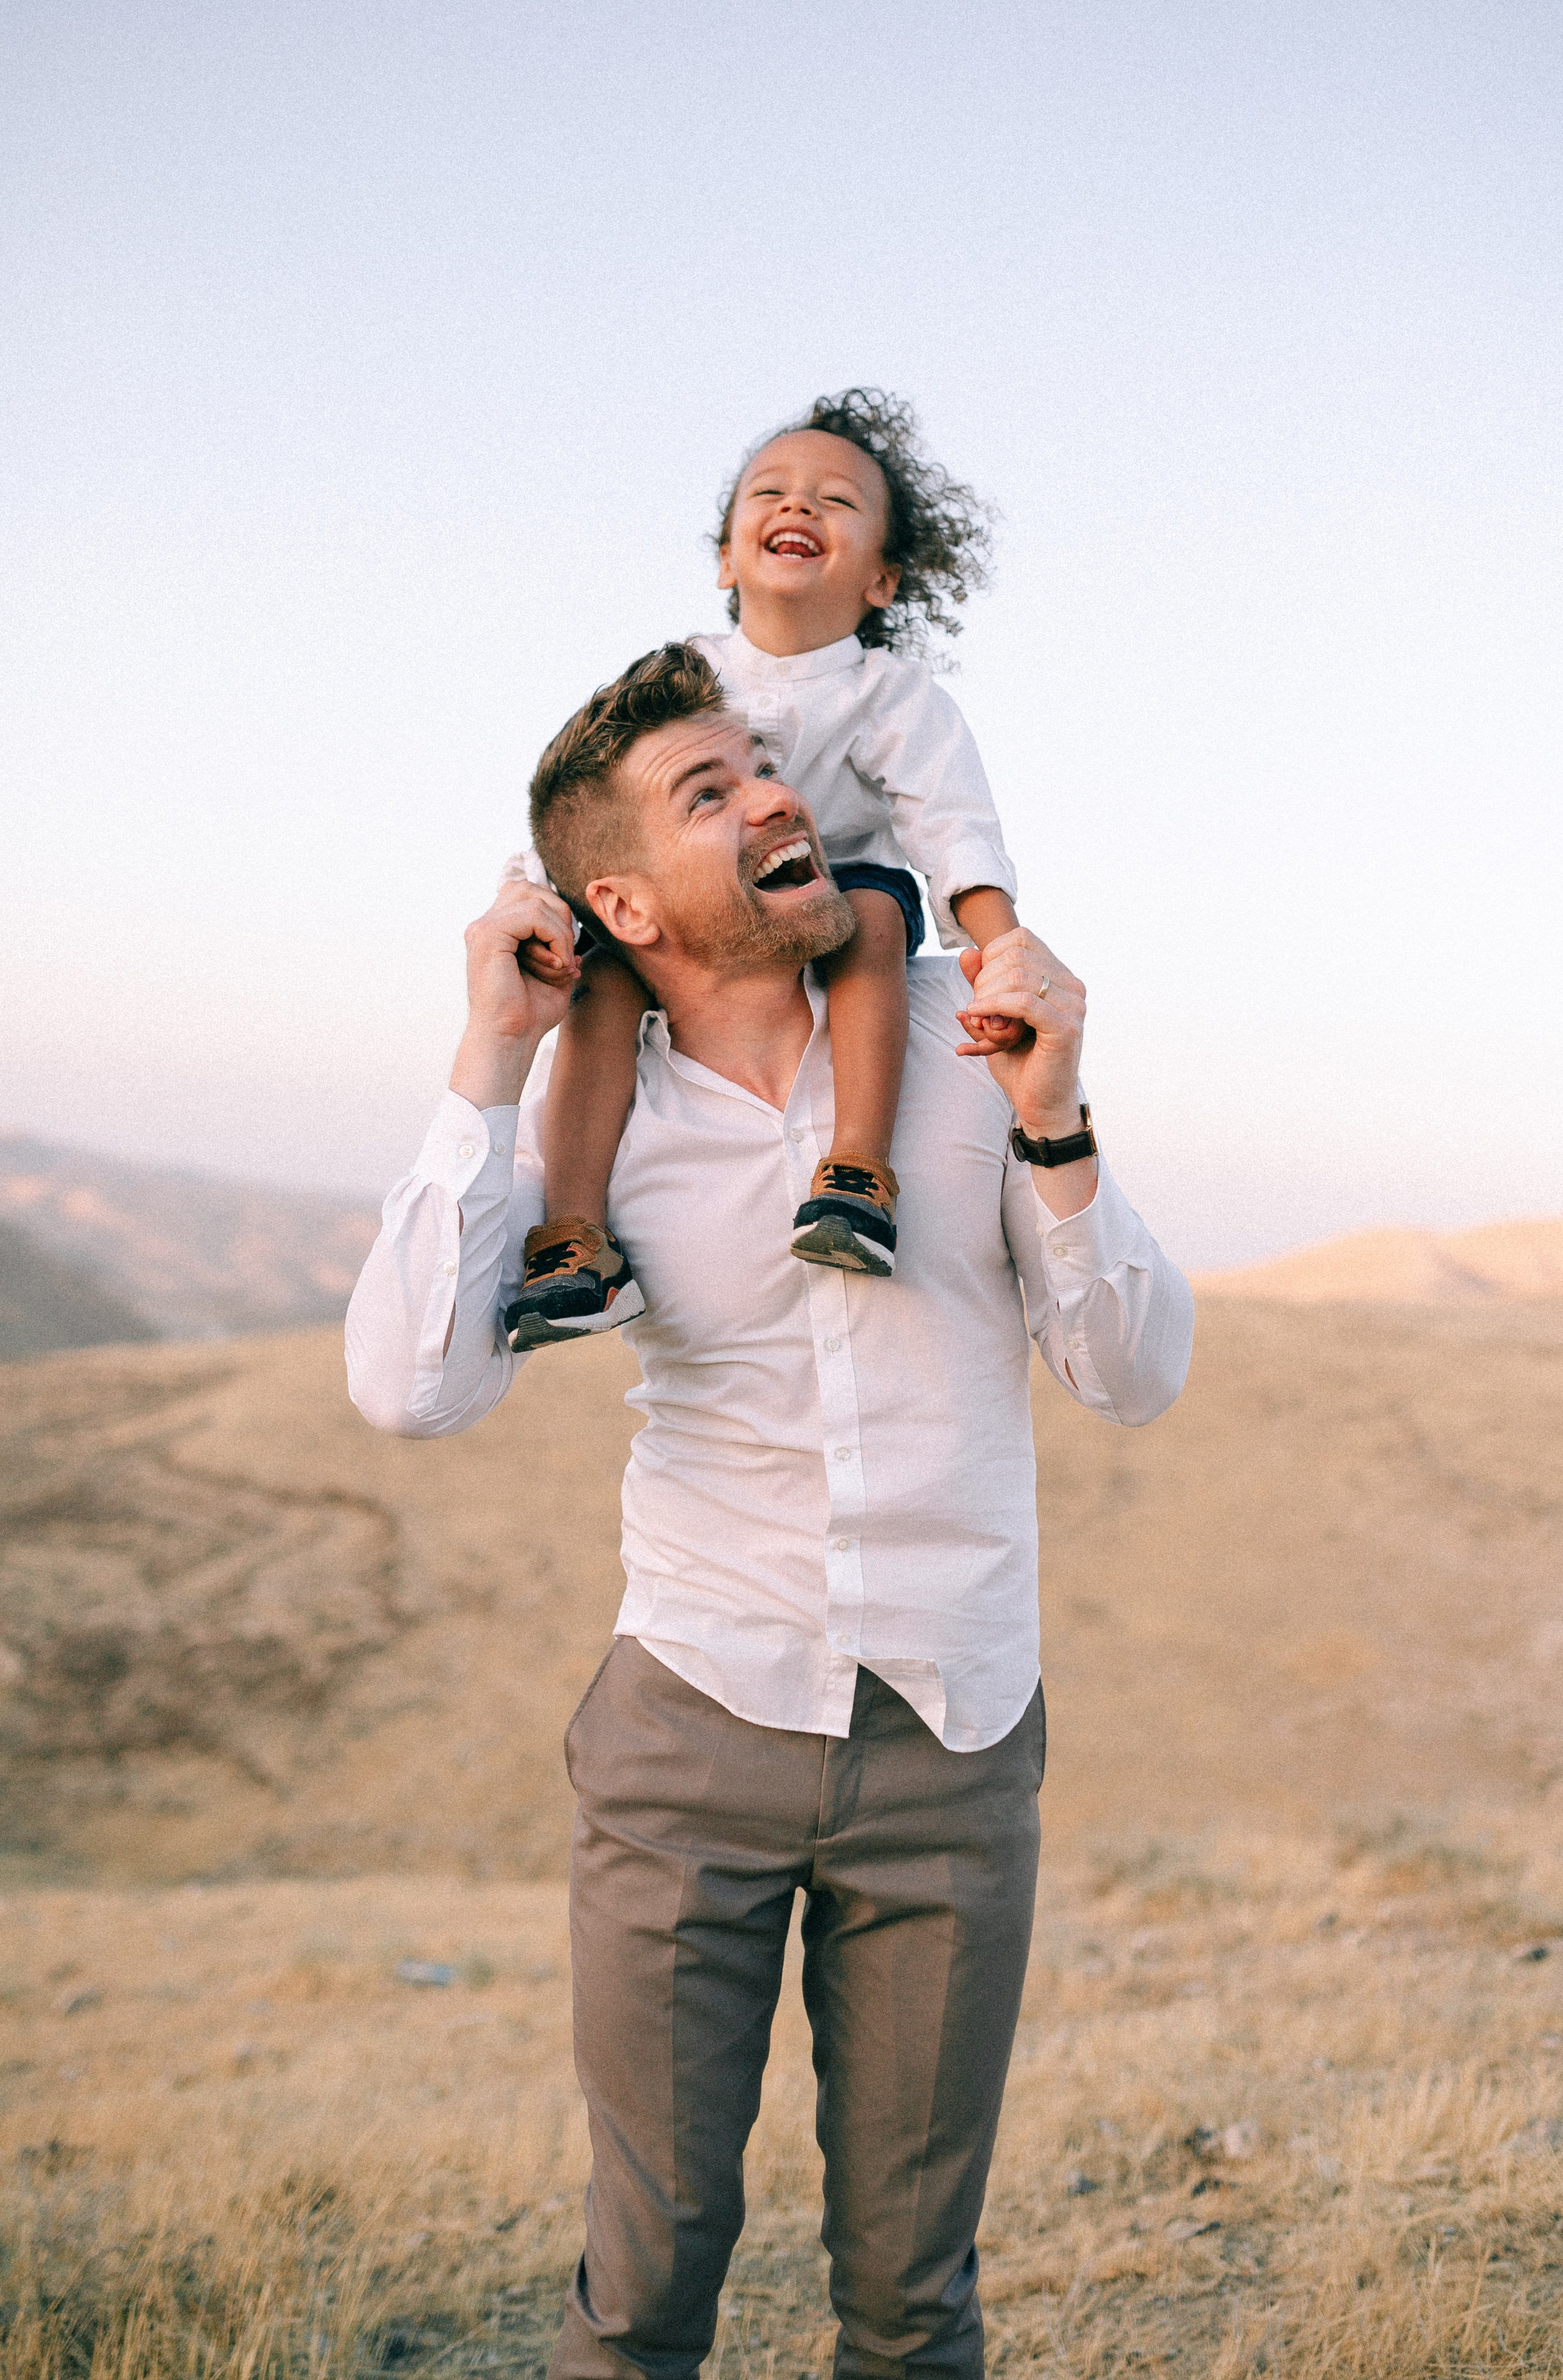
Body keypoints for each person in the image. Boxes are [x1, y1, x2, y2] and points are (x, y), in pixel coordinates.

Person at [345, 642, 1194, 2377]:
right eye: (709, 791)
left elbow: (1129, 1375)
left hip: (952, 1740)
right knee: (643, 2290)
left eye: (762, 765)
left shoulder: (960, 1042)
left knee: (913, 2299)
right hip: (689, 1733)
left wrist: (1056, 1123)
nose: (774, 795)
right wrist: (487, 1055)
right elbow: (409, 1387)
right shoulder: (592, 1119)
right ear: (622, 904)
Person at [501, 388, 1028, 1351]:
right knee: (603, 980)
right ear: (724, 560)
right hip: (702, 905)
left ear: (884, 579)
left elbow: (953, 826)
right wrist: (535, 902)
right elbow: (600, 798)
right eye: (771, 491)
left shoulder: (894, 694)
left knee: (875, 918)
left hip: (838, 891)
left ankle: (856, 1178)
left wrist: (1006, 956)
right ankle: (576, 1237)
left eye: (838, 500)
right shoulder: (686, 676)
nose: (799, 505)